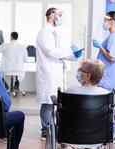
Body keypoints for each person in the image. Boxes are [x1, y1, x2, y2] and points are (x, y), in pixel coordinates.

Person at [36, 7, 83, 140]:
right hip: (48, 73)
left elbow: (60, 52)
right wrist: (69, 52)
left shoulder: (53, 32)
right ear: (52, 15)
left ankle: (54, 128)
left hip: (55, 72)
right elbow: (51, 52)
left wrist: (74, 55)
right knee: (47, 103)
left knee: (55, 103)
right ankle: (45, 132)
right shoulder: (44, 32)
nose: (61, 17)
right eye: (59, 14)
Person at [58, 59, 109, 149]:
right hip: (98, 137)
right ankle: (94, 146)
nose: (79, 73)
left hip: (70, 136)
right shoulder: (105, 94)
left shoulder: (71, 91)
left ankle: (63, 146)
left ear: (87, 76)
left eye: (81, 71)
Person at [92, 11, 115, 91]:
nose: (104, 22)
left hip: (106, 80)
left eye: (105, 20)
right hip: (108, 79)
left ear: (111, 21)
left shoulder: (114, 37)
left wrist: (100, 47)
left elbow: (112, 58)